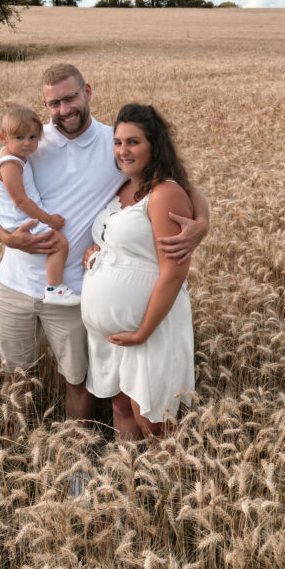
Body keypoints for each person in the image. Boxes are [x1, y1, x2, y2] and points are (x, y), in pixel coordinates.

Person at [0, 63, 210, 424]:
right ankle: (14, 449)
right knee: (15, 376)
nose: (63, 109)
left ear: (87, 92)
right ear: (45, 105)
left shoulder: (113, 143)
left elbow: (177, 181)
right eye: (53, 103)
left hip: (71, 289)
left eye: (70, 98)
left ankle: (78, 467)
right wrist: (6, 237)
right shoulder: (30, 142)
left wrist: (203, 221)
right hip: (14, 283)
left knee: (78, 381)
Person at [80, 104, 195, 439]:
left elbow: (174, 273)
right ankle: (129, 484)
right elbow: (123, 240)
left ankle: (164, 490)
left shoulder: (165, 194)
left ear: (154, 145)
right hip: (113, 334)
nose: (122, 150)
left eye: (133, 142)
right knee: (121, 408)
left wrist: (142, 331)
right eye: (117, 142)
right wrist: (97, 252)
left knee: (154, 422)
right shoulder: (122, 187)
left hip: (150, 329)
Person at [0, 104, 79, 306]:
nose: (27, 144)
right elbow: (20, 200)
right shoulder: (11, 164)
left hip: (18, 214)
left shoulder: (11, 155)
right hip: (19, 218)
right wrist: (49, 220)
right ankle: (54, 288)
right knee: (59, 243)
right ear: (3, 138)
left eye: (32, 138)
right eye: (19, 138)